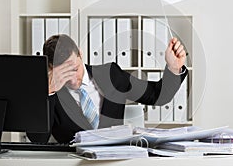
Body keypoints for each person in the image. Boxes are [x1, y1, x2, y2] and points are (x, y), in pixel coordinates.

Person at [31, 34, 188, 143]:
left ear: (80, 53)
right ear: (50, 69)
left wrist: (174, 69)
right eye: (63, 74)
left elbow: (157, 96)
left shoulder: (110, 75)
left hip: (114, 160)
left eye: (74, 69)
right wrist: (49, 91)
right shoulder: (48, 94)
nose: (72, 80)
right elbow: (38, 140)